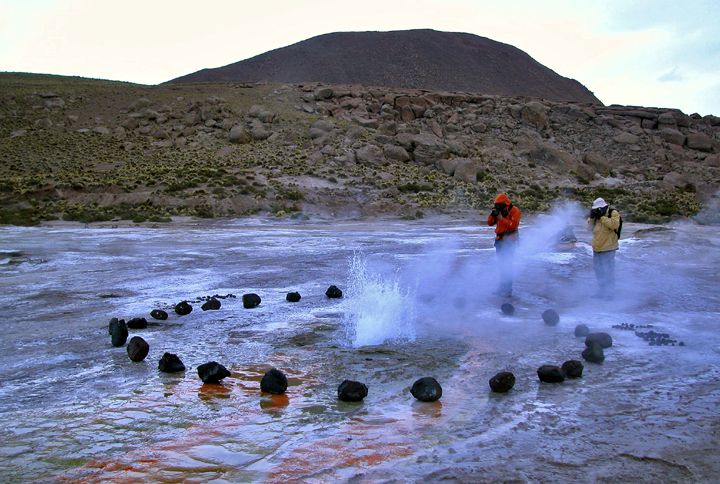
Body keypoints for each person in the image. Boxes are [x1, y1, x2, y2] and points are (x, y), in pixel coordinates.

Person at [487, 193, 521, 297]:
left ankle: (507, 290)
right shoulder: (500, 211)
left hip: (509, 241)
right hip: (500, 240)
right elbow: (489, 223)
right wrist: (493, 215)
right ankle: (502, 288)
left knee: (507, 266)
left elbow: (513, 226)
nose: (498, 207)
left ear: (505, 203)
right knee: (501, 266)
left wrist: (501, 218)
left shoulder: (515, 211)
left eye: (499, 205)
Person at [587, 197, 621, 293]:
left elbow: (614, 225)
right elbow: (589, 229)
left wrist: (602, 217)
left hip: (609, 247)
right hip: (597, 247)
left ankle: (609, 292)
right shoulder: (596, 217)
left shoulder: (613, 213)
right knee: (599, 271)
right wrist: (592, 217)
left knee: (608, 271)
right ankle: (602, 290)